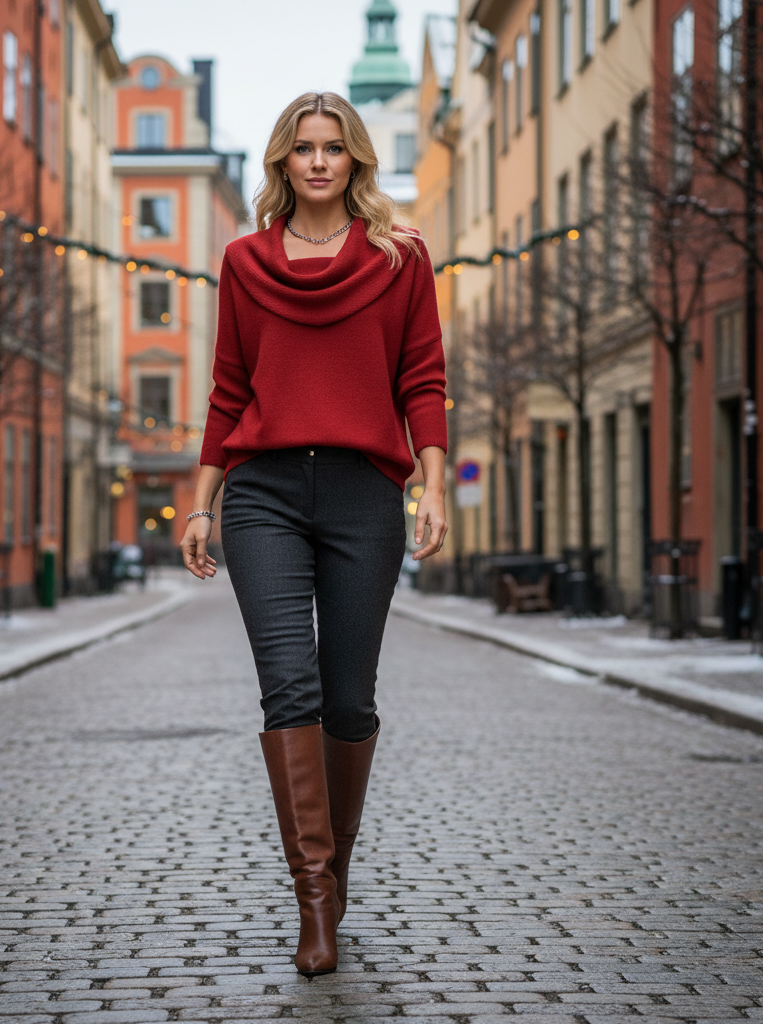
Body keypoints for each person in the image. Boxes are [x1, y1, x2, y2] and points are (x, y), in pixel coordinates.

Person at [180, 91, 448, 975]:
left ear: (357, 159)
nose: (321, 162)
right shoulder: (243, 260)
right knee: (286, 686)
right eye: (306, 149)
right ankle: (316, 903)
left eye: (336, 147)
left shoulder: (401, 259)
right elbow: (227, 391)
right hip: (263, 495)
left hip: (364, 495)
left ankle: (336, 876)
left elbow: (423, 379)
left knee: (349, 698)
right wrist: (201, 502)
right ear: (283, 163)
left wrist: (433, 489)